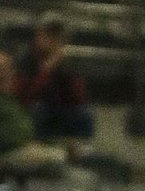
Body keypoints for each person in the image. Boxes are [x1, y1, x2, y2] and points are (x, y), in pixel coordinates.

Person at [14, 16, 94, 149]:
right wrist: (46, 70)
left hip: (60, 108)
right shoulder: (26, 58)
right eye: (47, 35)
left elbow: (80, 98)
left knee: (84, 114)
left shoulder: (65, 60)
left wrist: (69, 72)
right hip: (33, 107)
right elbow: (25, 96)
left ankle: (80, 152)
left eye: (56, 37)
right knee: (37, 110)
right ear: (38, 36)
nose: (51, 41)